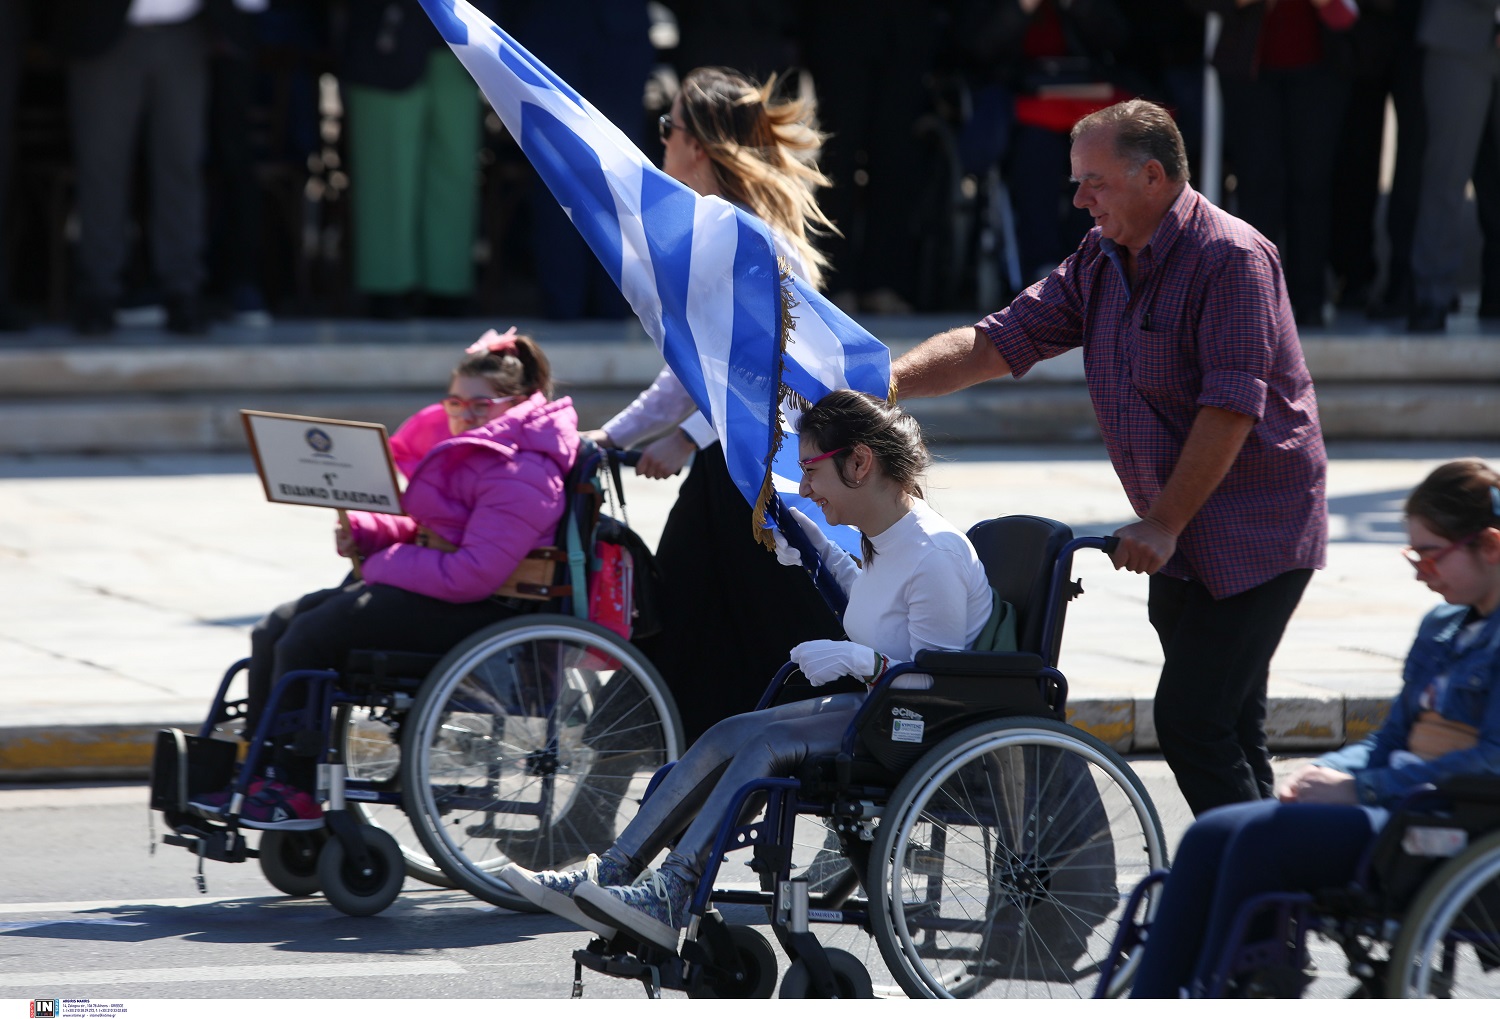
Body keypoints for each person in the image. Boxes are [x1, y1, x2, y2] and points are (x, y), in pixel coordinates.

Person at [890, 99, 1328, 817]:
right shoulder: (1101, 259)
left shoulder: (1232, 258)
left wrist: (1161, 522)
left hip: (1256, 532)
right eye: (1076, 181)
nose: (1078, 198)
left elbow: (1229, 410)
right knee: (1227, 725)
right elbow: (999, 340)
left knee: (1191, 722)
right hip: (1180, 538)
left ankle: (1252, 894)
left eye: (1093, 181)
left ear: (1153, 176)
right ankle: (1268, 899)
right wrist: (888, 385)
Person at [503, 389, 993, 950]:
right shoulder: (889, 539)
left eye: (811, 470)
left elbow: (938, 683)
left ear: (859, 463)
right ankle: (610, 873)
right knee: (730, 730)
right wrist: (816, 550)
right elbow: (882, 615)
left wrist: (863, 660)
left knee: (763, 746)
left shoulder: (935, 552)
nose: (806, 487)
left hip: (910, 725)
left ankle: (674, 888)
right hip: (879, 709)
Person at [1129, 459, 1500, 997]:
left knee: (1263, 839)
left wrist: (1360, 789)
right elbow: (1391, 739)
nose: (1420, 569)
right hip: (1397, 806)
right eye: (1413, 553)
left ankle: (1230, 989)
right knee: (1213, 832)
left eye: (1430, 553)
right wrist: (1326, 771)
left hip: (1444, 820)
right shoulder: (1442, 626)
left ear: (1489, 545)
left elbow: (1491, 762)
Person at [190, 329, 578, 829]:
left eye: (481, 404)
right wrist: (370, 532)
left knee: (312, 636)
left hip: (488, 610)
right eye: (457, 402)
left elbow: (472, 574)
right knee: (276, 626)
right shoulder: (483, 450)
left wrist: (382, 563)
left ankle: (294, 784)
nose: (465, 414)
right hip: (445, 590)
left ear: (520, 402)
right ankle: (267, 771)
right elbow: (432, 530)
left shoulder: (524, 471)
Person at [583, 66, 845, 742]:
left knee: (786, 633)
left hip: (761, 481)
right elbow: (690, 373)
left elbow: (768, 370)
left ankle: (866, 757)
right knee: (679, 622)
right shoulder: (711, 231)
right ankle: (608, 789)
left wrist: (685, 440)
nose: (661, 140)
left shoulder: (749, 238)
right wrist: (612, 437)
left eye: (669, 127)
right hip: (728, 479)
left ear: (696, 143)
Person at [58, 0, 214, 336]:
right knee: (101, 165)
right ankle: (99, 289)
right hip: (104, 29)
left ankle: (183, 287)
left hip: (185, 28)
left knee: (182, 163)